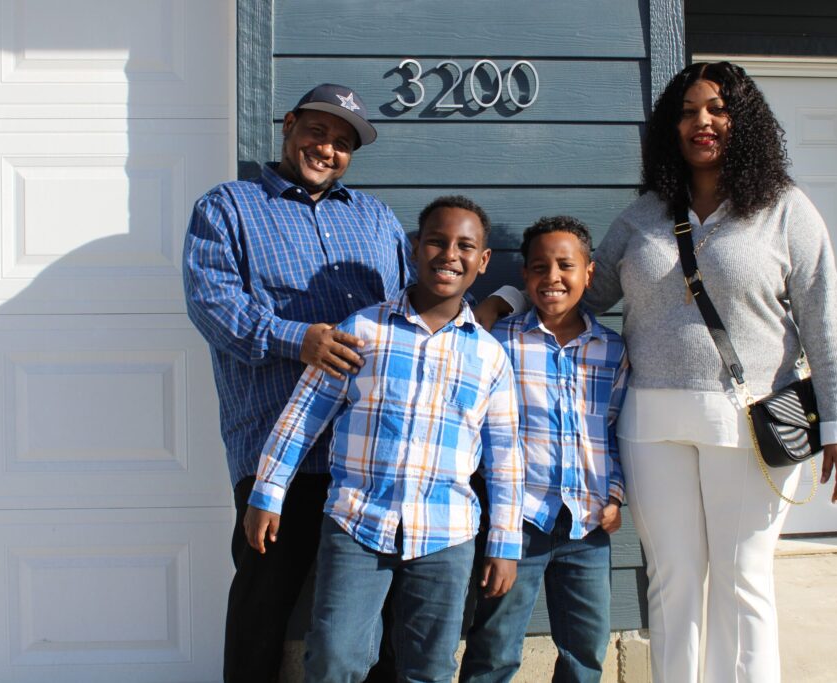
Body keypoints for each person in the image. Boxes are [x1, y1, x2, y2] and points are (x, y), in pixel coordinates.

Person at [479, 62, 837, 682]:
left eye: (717, 109)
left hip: (749, 423)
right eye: (688, 112)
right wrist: (506, 298)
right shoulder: (643, 216)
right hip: (651, 422)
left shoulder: (785, 210)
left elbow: (826, 316)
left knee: (743, 581)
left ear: (743, 123)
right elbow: (580, 286)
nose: (703, 123)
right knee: (672, 581)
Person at [182, 83, 411, 683]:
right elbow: (214, 306)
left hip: (370, 454)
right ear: (288, 127)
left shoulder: (376, 218)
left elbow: (410, 314)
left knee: (381, 606)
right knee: (264, 601)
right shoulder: (228, 207)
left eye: (342, 142)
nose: (327, 149)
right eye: (317, 131)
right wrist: (298, 338)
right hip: (278, 453)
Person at [244, 196, 524, 682]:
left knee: (429, 666)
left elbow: (504, 459)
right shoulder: (362, 330)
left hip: (446, 532)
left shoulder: (490, 356)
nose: (449, 255)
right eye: (436, 241)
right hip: (357, 522)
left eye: (465, 246)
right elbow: (303, 416)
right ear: (414, 248)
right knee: (335, 656)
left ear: (482, 261)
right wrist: (267, 494)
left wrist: (504, 542)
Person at [460, 217, 629, 682]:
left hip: (587, 525)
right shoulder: (500, 341)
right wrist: (496, 304)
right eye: (539, 267)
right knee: (494, 647)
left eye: (565, 265)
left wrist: (614, 495)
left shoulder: (612, 350)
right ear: (524, 277)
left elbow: (614, 432)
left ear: (589, 273)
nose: (551, 277)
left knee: (586, 650)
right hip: (517, 522)